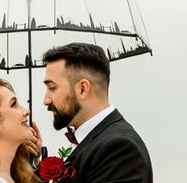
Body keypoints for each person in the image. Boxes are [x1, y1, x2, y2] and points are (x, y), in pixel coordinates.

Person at [42, 42, 153, 182]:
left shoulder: (118, 148)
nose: (46, 100)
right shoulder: (94, 141)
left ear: (82, 89)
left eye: (52, 88)